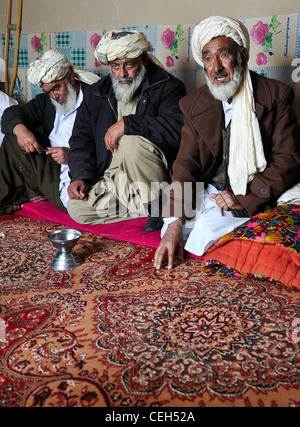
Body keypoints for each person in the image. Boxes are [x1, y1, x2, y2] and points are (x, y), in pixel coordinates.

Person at [154, 15, 300, 270]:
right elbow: (186, 162)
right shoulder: (193, 104)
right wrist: (176, 219)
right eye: (208, 58)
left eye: (223, 55)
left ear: (242, 55)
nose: (216, 68)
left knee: (203, 234)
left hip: (253, 189)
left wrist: (246, 198)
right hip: (212, 190)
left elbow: (288, 160)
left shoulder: (277, 95)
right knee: (173, 225)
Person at [67, 30, 186, 229]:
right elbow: (81, 138)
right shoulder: (97, 93)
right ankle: (160, 206)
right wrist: (81, 175)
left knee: (131, 141)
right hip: (116, 178)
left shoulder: (168, 87)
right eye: (115, 66)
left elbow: (177, 130)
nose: (122, 74)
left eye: (129, 64)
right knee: (76, 208)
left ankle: (158, 203)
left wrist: (129, 124)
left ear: (144, 60)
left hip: (151, 175)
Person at [0, 49, 99, 215]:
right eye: (48, 92)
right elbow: (11, 114)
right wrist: (21, 130)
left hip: (79, 168)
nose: (54, 97)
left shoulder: (94, 101)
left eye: (57, 88)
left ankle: (36, 194)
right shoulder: (48, 101)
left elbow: (105, 147)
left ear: (70, 78)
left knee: (78, 206)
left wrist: (72, 155)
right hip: (50, 164)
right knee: (13, 136)